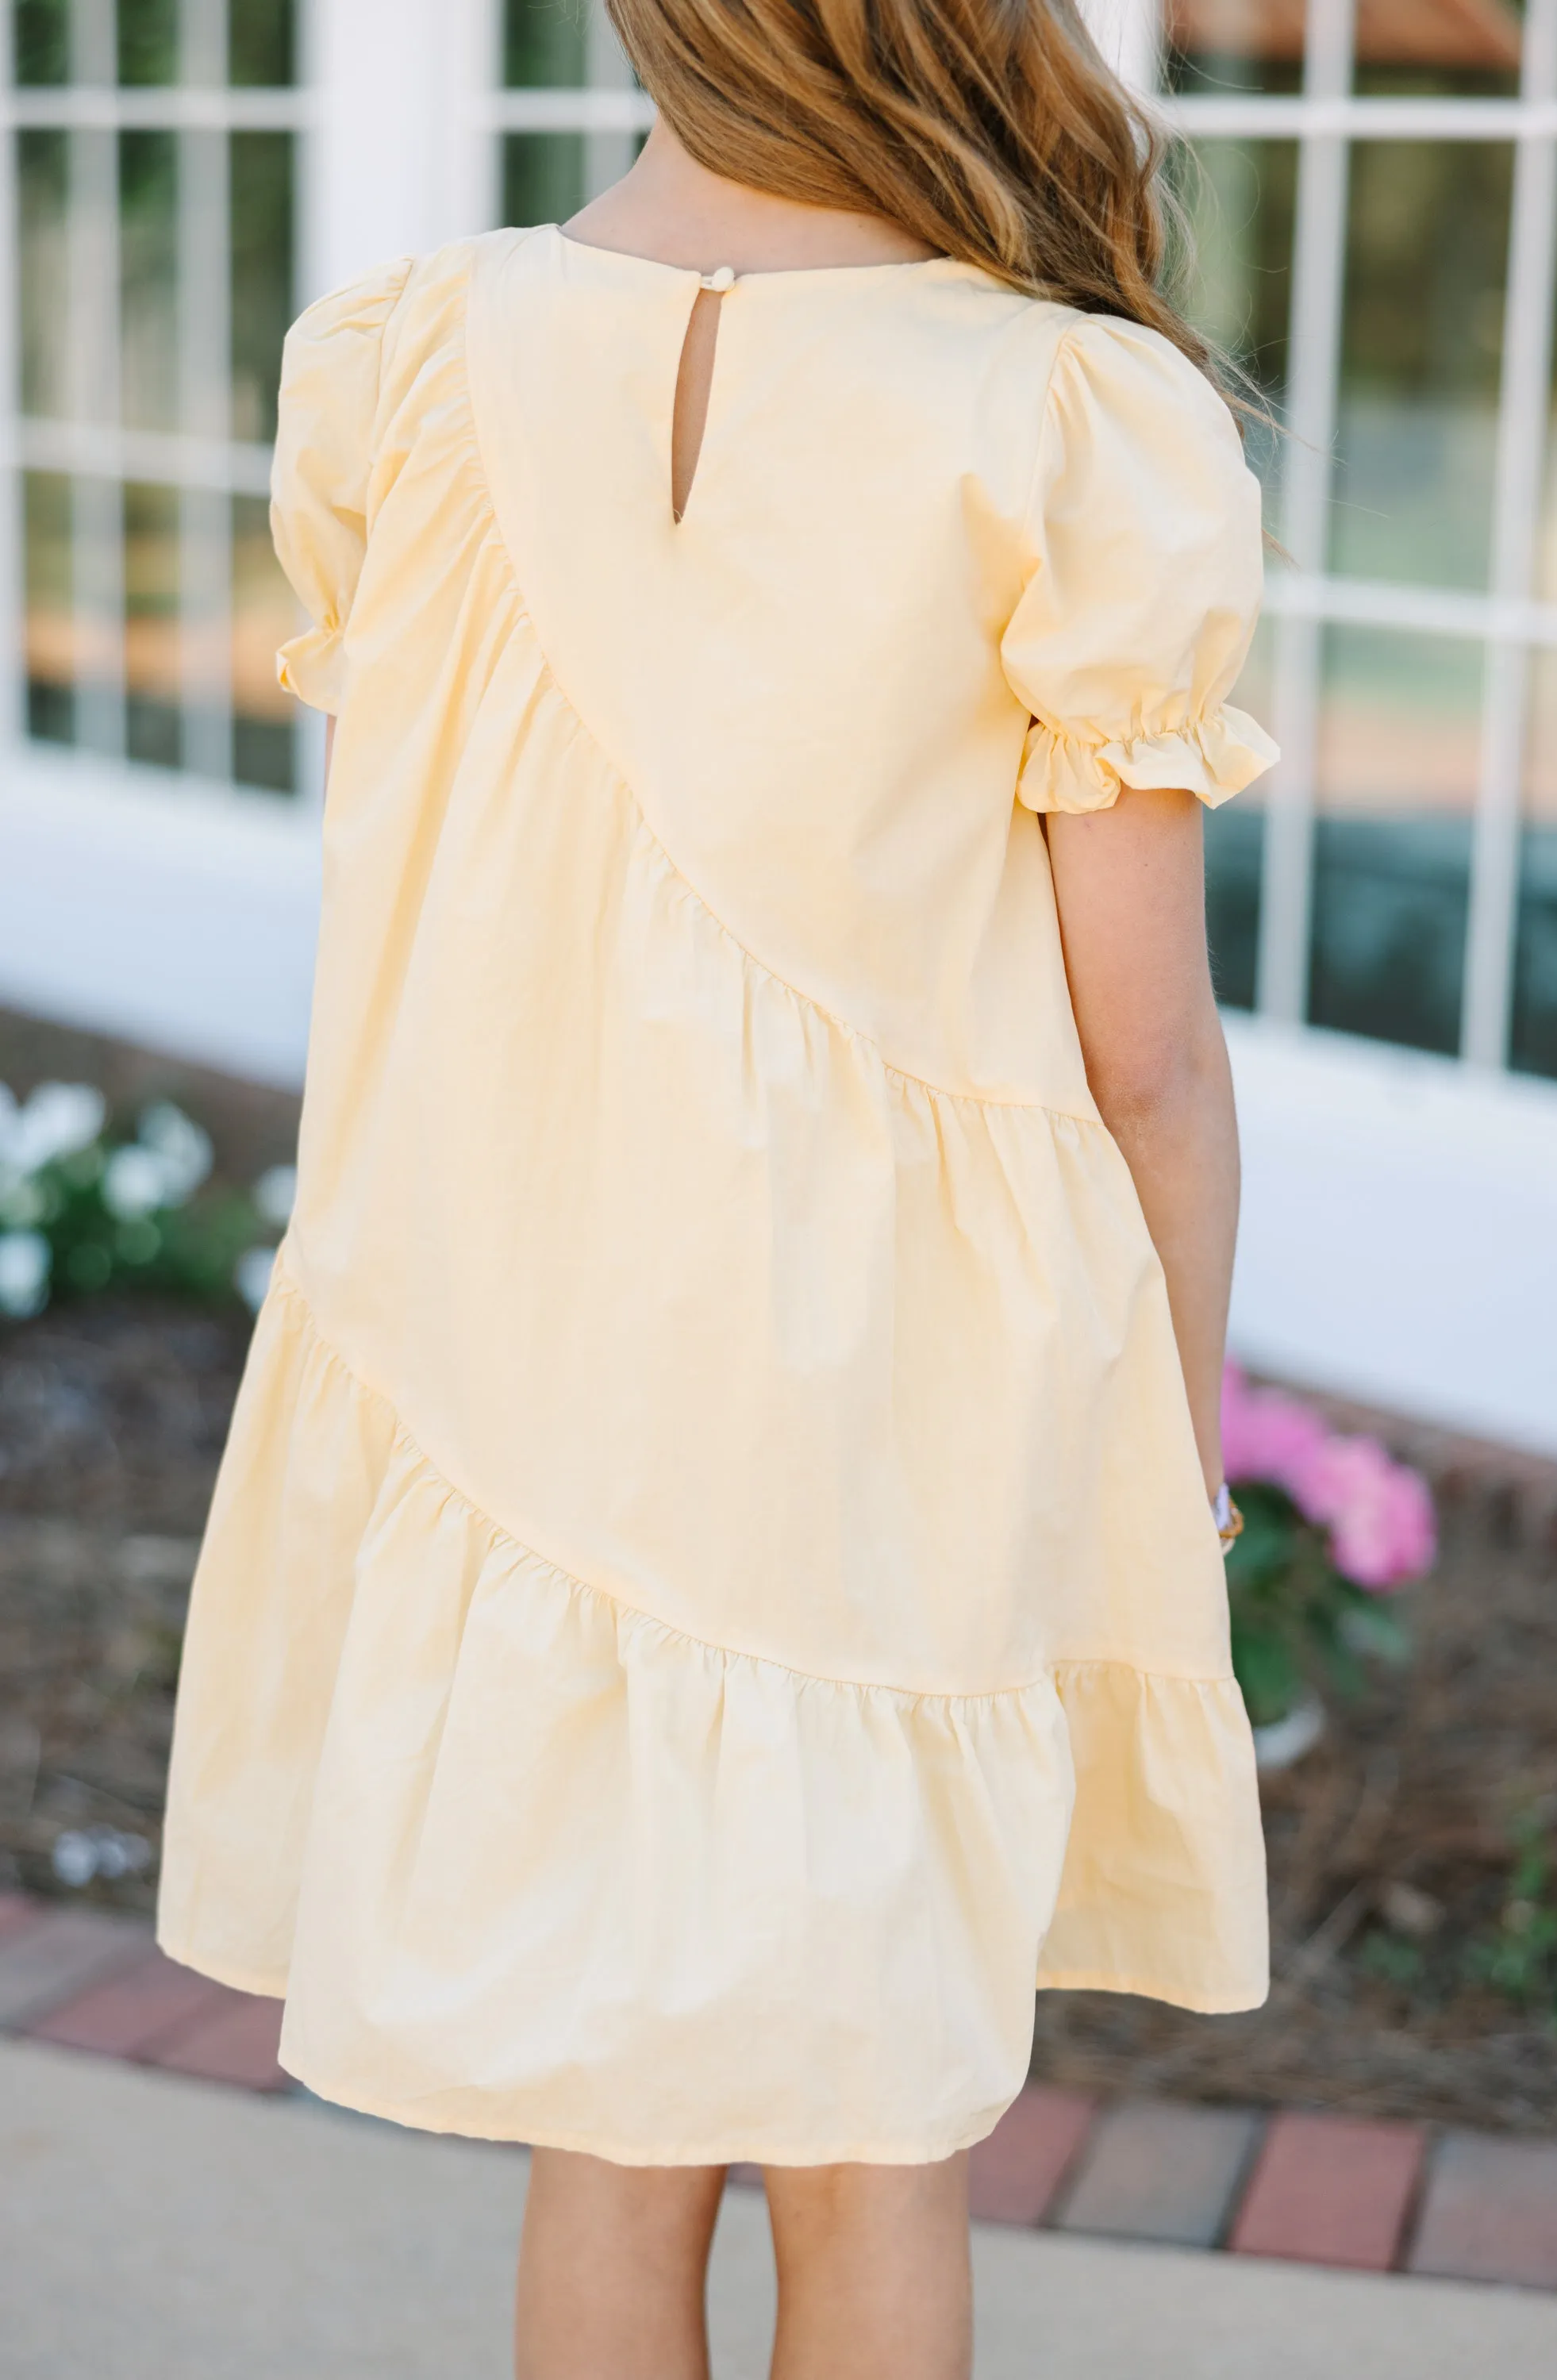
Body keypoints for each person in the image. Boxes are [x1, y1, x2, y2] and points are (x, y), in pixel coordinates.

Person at [159, 0, 1277, 2370]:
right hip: (887, 1402)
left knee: (618, 2123)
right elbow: (1148, 1058)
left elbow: (477, 894)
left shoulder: (417, 361)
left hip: (528, 1366)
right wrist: (1165, 1462)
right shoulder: (1060, 417)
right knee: (878, 2150)